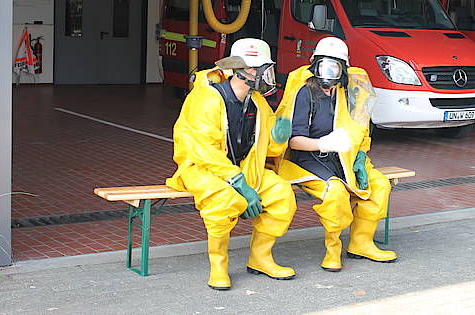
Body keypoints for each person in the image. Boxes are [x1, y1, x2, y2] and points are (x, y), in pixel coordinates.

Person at [166, 38, 297, 290]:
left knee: (281, 193)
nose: (267, 76)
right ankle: (218, 266)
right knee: (225, 200)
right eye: (262, 70)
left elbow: (266, 149)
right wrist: (239, 184)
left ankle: (260, 258)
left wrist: (278, 138)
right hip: (201, 169)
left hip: (242, 168)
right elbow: (203, 150)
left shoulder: (257, 102)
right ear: (245, 70)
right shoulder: (205, 98)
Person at [275, 36, 396, 272]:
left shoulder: (349, 92)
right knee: (336, 191)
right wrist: (323, 144)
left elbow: (361, 128)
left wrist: (360, 155)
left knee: (380, 185)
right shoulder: (305, 93)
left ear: (343, 69)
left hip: (344, 157)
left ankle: (361, 243)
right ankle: (333, 249)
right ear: (315, 65)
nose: (328, 74)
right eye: (323, 66)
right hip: (310, 157)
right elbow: (294, 141)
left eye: (335, 67)